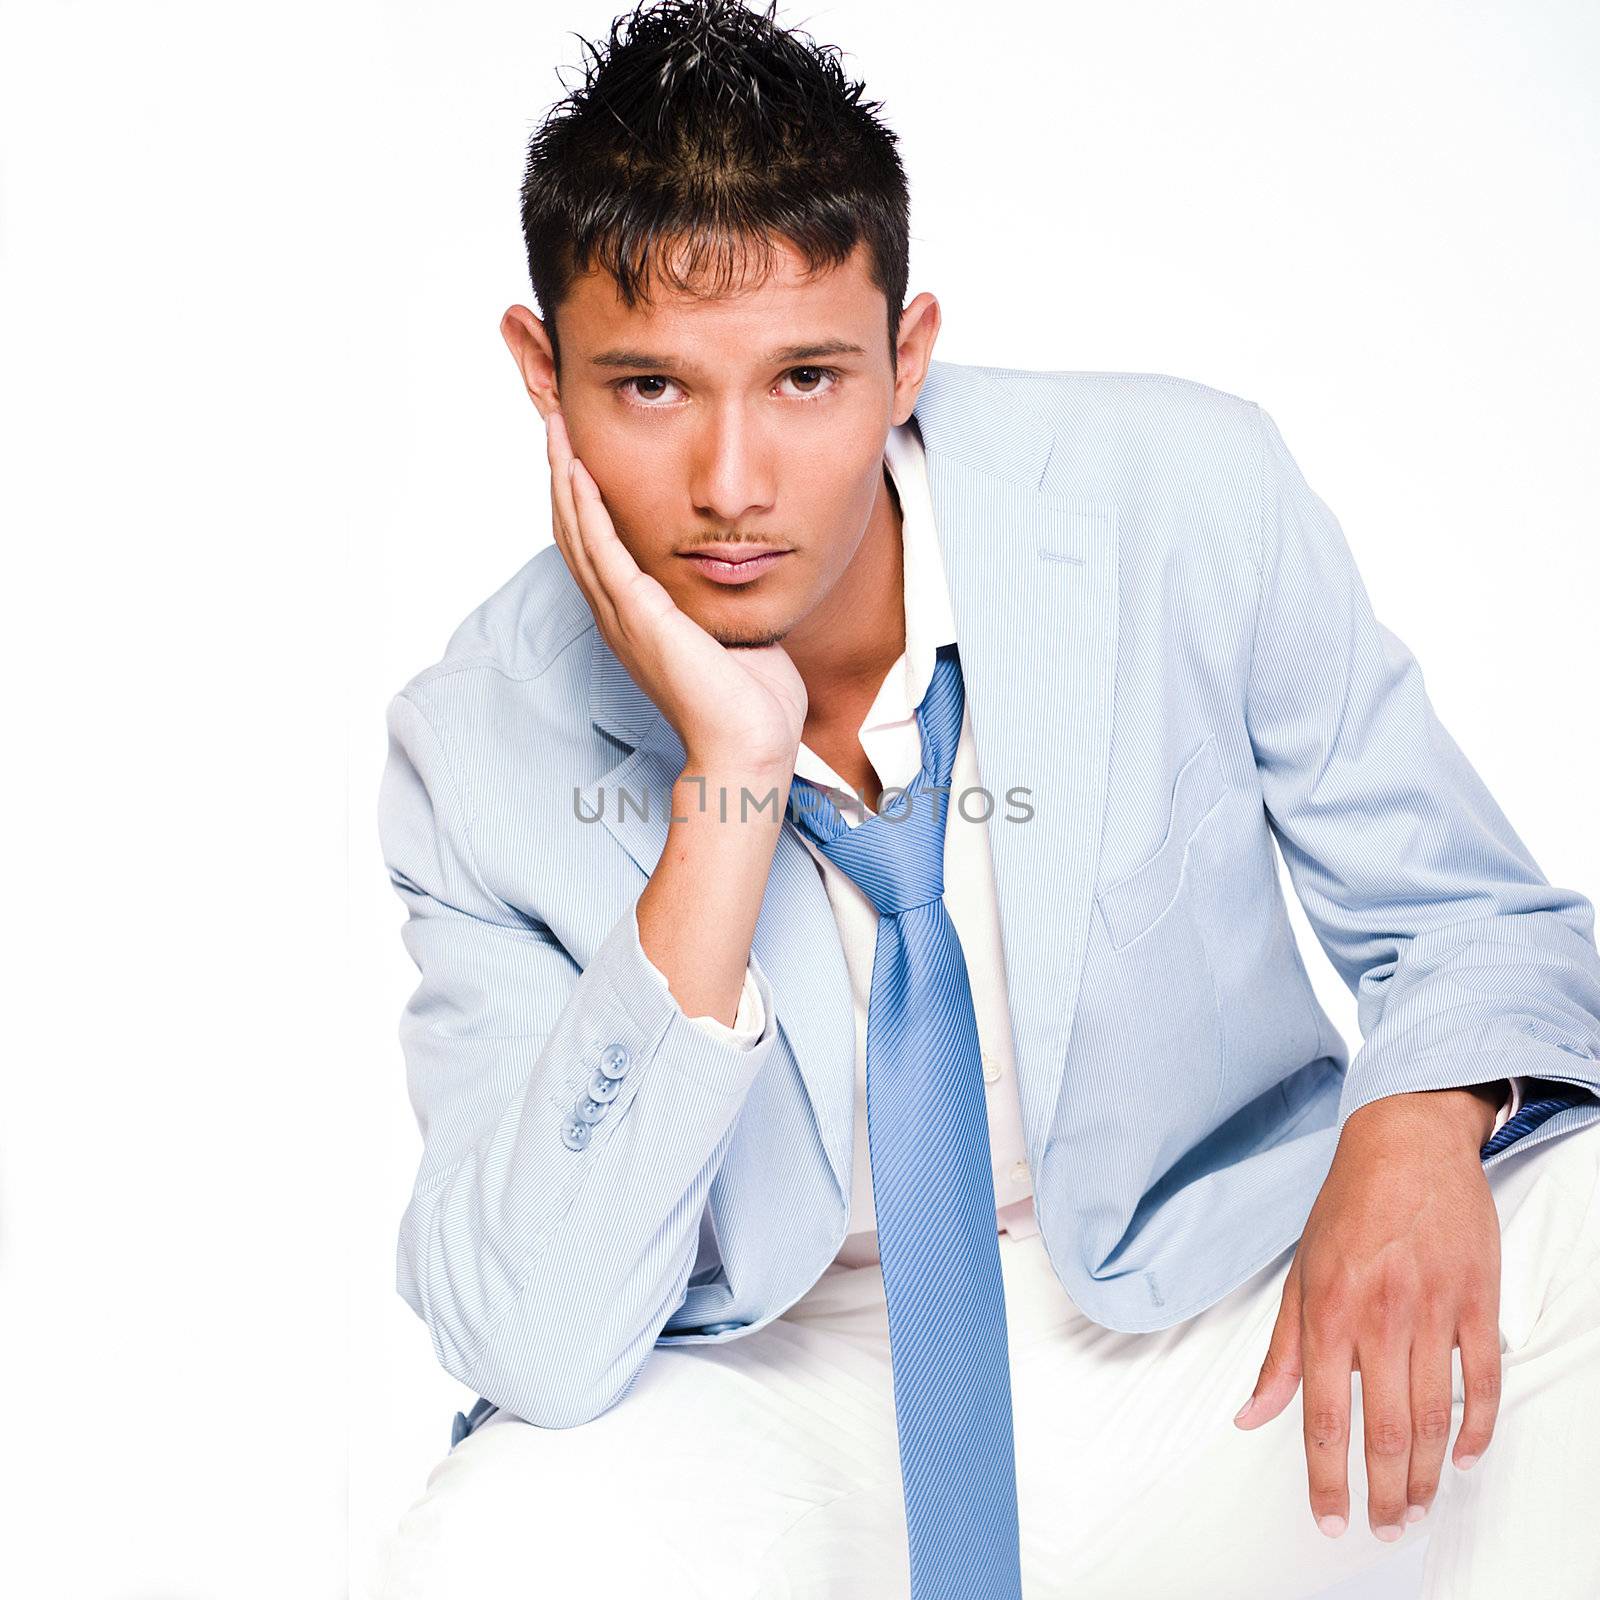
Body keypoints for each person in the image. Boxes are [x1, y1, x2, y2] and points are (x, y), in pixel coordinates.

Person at [370, 2, 1600, 1595]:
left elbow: (1484, 933)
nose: (732, 482)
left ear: (910, 354)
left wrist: (1423, 1117)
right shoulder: (474, 745)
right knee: (489, 1550)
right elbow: (531, 1325)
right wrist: (729, 780)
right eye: (652, 389)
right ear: (543, 375)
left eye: (806, 378)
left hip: (1211, 1305)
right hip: (787, 1374)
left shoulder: (1182, 497)